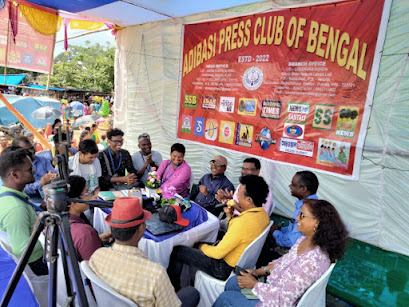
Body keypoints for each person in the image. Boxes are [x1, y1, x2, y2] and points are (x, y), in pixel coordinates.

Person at [213, 199, 348, 307]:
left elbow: (285, 300)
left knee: (226, 299)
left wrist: (254, 285)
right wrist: (258, 272)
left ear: (317, 223)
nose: (296, 218)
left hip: (277, 301)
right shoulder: (303, 240)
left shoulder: (313, 261)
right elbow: (283, 261)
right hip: (272, 287)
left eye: (302, 215)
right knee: (232, 282)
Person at [89, 197, 200, 307]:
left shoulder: (97, 256)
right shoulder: (155, 274)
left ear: (112, 228)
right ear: (141, 228)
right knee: (191, 293)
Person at [167, 175, 270, 291]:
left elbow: (217, 253)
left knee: (178, 250)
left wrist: (200, 246)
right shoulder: (263, 215)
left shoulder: (242, 223)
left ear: (249, 200)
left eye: (238, 195)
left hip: (222, 267)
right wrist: (230, 215)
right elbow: (239, 233)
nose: (235, 198)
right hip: (239, 262)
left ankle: (173, 288)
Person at [0, 148, 48, 275]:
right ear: (15, 175)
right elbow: (21, 249)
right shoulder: (16, 208)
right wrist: (50, 241)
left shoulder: (6, 195)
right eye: (29, 169)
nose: (34, 171)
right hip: (37, 265)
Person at [66, 176, 110, 261]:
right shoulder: (85, 233)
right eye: (86, 193)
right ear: (73, 201)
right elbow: (98, 264)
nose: (90, 197)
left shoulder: (54, 222)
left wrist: (98, 238)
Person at [271, 171, 319, 248]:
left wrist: (275, 232)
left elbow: (292, 242)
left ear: (303, 189)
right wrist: (281, 230)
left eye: (293, 184)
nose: (290, 186)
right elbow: (295, 230)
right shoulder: (308, 203)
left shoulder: (307, 210)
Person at [12, 136, 57, 204]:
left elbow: (53, 174)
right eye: (27, 150)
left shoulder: (43, 160)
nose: (32, 151)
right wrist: (40, 183)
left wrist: (53, 176)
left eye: (32, 148)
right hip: (29, 198)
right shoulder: (15, 167)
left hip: (47, 194)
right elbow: (23, 189)